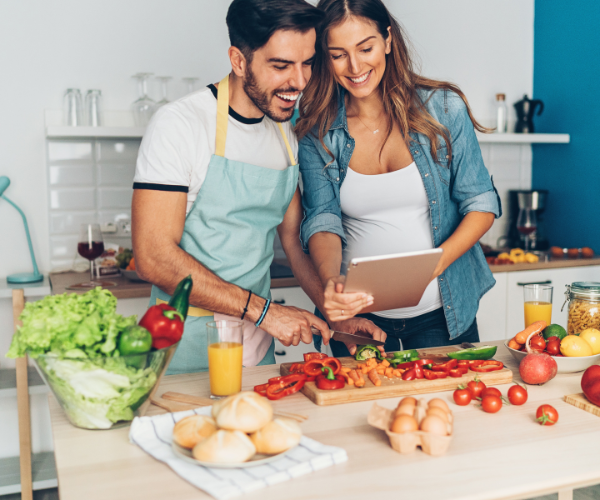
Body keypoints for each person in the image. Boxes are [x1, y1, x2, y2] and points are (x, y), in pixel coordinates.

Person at [132, 0, 384, 374]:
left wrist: (337, 319)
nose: (298, 82)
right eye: (281, 66)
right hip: (183, 343)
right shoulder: (179, 126)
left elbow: (294, 244)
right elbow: (153, 257)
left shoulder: (285, 131)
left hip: (258, 344)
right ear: (238, 60)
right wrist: (265, 311)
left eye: (307, 63)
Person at [295, 0, 502, 357]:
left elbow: (481, 204)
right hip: (360, 319)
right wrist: (332, 283)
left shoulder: (443, 108)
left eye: (366, 48)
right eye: (338, 54)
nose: (356, 66)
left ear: (388, 40)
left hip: (442, 312)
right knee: (360, 409)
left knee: (446, 410)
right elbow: (322, 219)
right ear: (324, 57)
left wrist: (430, 265)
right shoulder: (317, 131)